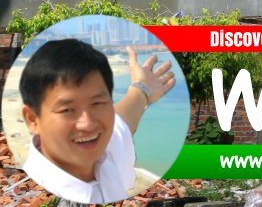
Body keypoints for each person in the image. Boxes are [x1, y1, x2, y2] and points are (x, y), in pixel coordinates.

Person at [19, 39, 177, 204]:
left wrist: (142, 88)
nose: (87, 124)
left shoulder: (104, 150)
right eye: (67, 110)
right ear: (32, 119)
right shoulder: (50, 186)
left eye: (97, 103)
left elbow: (121, 123)